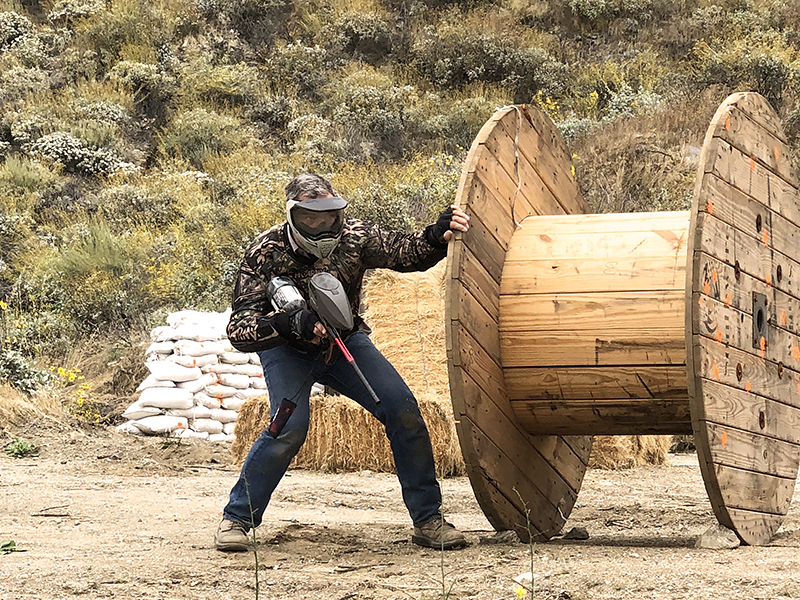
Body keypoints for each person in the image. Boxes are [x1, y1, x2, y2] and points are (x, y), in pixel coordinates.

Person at [215, 172, 471, 552]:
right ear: (292, 216)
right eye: (310, 221)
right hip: (287, 349)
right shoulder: (264, 252)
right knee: (289, 427)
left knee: (404, 411)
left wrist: (436, 234)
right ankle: (236, 519)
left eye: (329, 218)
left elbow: (407, 252)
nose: (321, 229)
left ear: (339, 212)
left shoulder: (355, 236)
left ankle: (428, 520)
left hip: (345, 342)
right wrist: (287, 323)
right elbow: (240, 329)